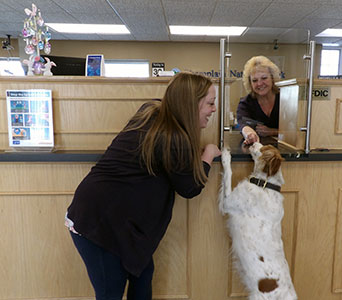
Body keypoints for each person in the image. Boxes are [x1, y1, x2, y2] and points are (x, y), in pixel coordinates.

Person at [65, 72, 221, 300]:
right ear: (191, 104)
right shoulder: (172, 136)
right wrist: (208, 155)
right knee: (110, 292)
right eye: (210, 103)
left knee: (143, 273)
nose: (214, 109)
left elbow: (164, 158)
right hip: (98, 224)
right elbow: (189, 188)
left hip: (115, 220)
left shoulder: (153, 113)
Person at [236, 56, 281, 145]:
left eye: (264, 78)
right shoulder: (246, 103)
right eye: (255, 80)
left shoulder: (285, 100)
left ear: (272, 78)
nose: (259, 83)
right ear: (250, 83)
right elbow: (243, 125)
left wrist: (272, 131)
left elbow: (295, 130)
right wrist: (250, 134)